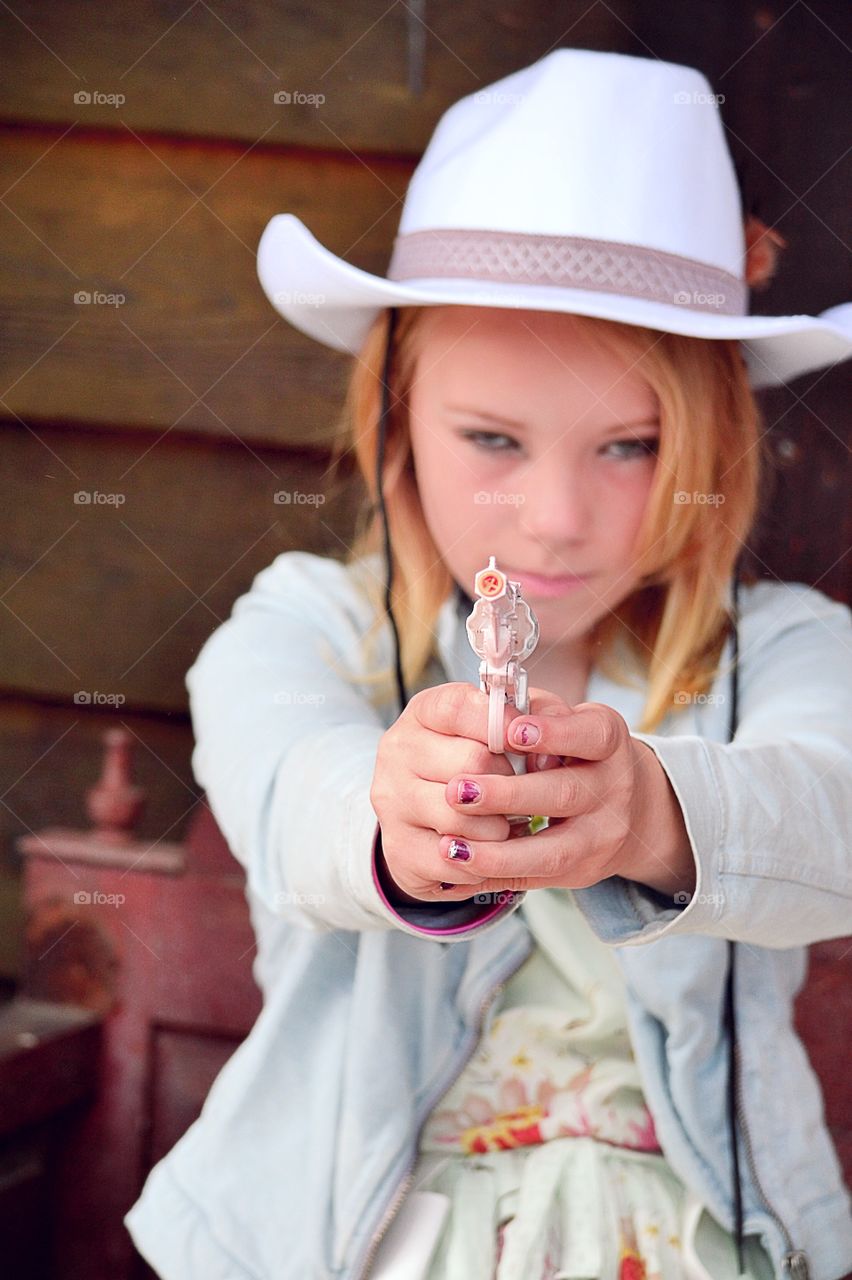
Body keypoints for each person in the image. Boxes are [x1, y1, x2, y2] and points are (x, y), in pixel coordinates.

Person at [124, 47, 852, 1280]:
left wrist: (656, 812)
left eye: (628, 444)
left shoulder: (783, 649)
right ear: (394, 415)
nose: (557, 517)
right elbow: (289, 782)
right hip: (355, 1239)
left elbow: (834, 815)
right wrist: (394, 817)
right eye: (493, 438)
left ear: (715, 439)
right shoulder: (307, 627)